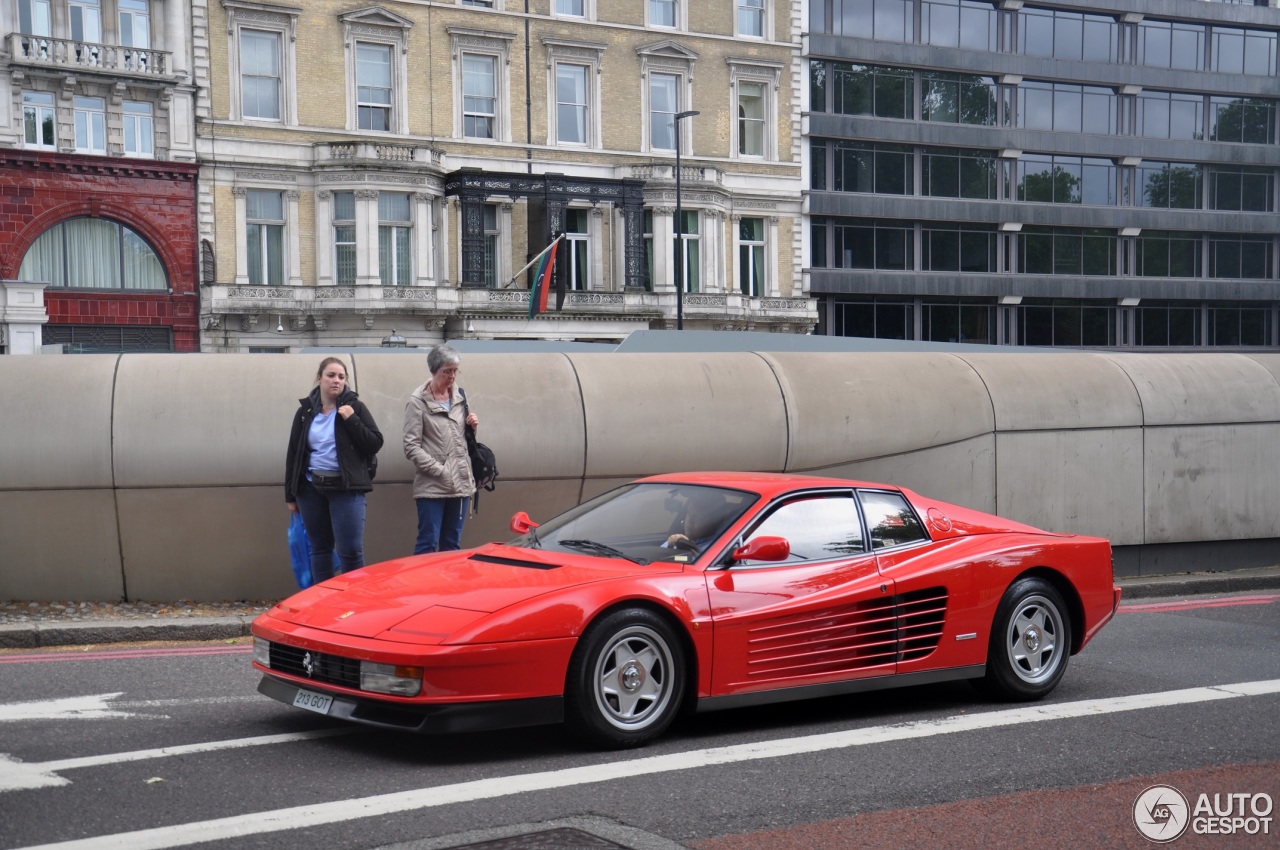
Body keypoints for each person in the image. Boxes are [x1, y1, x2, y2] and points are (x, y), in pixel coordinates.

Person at [285, 357, 383, 582]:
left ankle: (354, 604)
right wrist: (290, 495)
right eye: (331, 375)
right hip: (310, 489)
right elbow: (293, 454)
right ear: (319, 378)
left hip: (346, 488)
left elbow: (375, 443)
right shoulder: (305, 412)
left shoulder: (354, 407)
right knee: (320, 549)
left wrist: (351, 420)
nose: (336, 381)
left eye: (341, 377)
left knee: (350, 550)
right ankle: (323, 605)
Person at [404, 344, 479, 554]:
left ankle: (448, 586)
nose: (452, 376)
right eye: (447, 371)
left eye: (455, 370)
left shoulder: (460, 396)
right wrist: (441, 471)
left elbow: (461, 441)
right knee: (428, 543)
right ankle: (423, 587)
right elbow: (411, 446)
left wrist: (472, 427)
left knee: (452, 545)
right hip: (432, 487)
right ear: (434, 371)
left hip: (461, 484)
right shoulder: (417, 402)